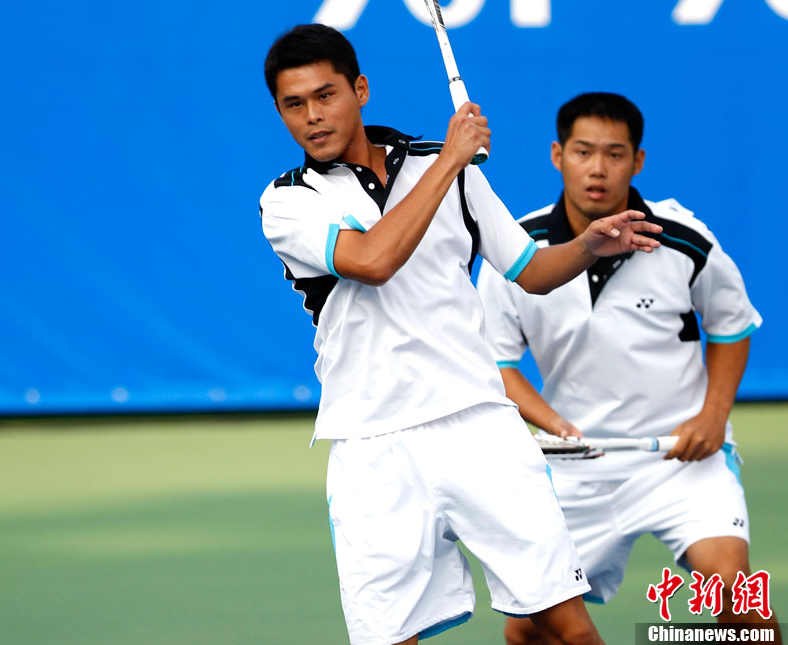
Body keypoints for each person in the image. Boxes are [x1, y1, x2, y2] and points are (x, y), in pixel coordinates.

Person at [259, 25, 662, 645]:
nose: (312, 116)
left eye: (325, 95)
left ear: (359, 90)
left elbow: (530, 271)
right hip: (372, 445)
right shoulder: (288, 201)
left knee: (569, 629)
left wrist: (586, 246)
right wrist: (451, 159)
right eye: (294, 104)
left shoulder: (449, 168)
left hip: (478, 424)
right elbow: (372, 261)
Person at [476, 92, 781, 644]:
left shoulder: (685, 241)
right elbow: (497, 362)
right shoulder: (515, 252)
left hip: (681, 460)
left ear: (637, 161)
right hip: (577, 468)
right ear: (557, 155)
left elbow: (732, 325)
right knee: (527, 633)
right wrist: (553, 423)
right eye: (583, 152)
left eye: (614, 154)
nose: (598, 168)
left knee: (738, 601)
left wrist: (713, 416)